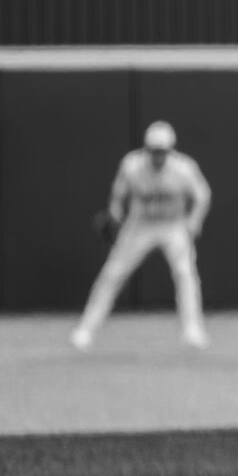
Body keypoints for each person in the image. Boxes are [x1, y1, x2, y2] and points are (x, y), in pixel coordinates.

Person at [72, 120, 212, 350]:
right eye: (154, 151)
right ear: (146, 149)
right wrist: (116, 213)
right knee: (112, 274)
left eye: (162, 151)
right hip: (140, 225)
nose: (158, 156)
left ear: (171, 150)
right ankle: (86, 329)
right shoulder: (131, 166)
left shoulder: (184, 168)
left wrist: (194, 220)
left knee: (185, 273)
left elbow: (203, 195)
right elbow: (118, 197)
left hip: (172, 225)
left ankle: (192, 330)